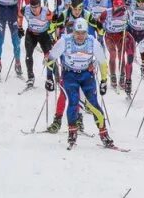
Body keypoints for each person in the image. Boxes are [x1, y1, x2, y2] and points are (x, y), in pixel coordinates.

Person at [45, 18, 116, 150]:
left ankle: (104, 134)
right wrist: (49, 78)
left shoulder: (92, 42)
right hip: (70, 75)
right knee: (73, 101)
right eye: (77, 33)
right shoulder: (64, 41)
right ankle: (72, 132)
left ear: (86, 32)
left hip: (86, 76)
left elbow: (102, 62)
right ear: (73, 32)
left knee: (94, 103)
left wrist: (104, 81)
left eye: (83, 33)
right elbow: (51, 58)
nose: (80, 36)